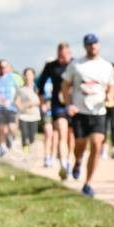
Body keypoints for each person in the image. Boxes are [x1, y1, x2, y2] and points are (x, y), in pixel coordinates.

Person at [61, 33, 114, 197]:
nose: (93, 47)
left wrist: (110, 96)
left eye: (95, 44)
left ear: (99, 45)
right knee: (79, 145)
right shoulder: (76, 64)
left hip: (98, 111)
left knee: (96, 144)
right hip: (80, 111)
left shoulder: (106, 66)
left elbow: (111, 87)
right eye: (89, 44)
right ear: (85, 46)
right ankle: (77, 162)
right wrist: (68, 104)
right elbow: (65, 85)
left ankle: (88, 183)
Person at [37, 43, 75, 180]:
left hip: (74, 104)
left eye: (67, 54)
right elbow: (41, 86)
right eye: (62, 55)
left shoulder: (75, 64)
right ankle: (63, 165)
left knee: (72, 136)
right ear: (58, 54)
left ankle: (70, 161)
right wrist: (42, 103)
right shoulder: (51, 66)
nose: (65, 57)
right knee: (62, 134)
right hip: (58, 104)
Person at [14, 67, 42, 161]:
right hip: (23, 116)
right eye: (26, 74)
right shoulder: (21, 89)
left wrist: (33, 103)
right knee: (24, 136)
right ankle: (25, 154)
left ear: (33, 76)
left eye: (30, 74)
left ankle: (29, 150)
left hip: (34, 116)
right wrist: (23, 106)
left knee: (32, 137)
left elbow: (41, 100)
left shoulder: (38, 88)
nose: (28, 76)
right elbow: (17, 102)